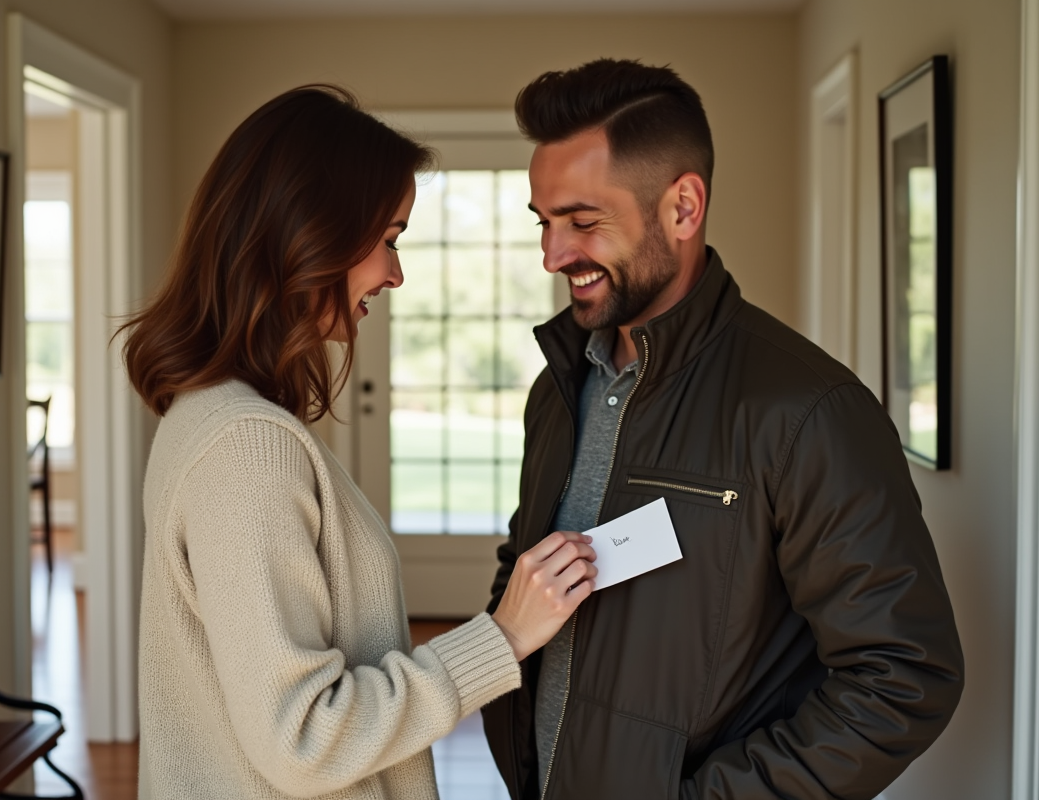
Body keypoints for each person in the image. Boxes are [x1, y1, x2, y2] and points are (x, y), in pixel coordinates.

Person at [481, 59, 965, 800]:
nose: (552, 255)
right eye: (544, 223)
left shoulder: (809, 411)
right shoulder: (558, 388)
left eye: (582, 222)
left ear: (683, 207)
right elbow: (522, 568)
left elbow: (902, 677)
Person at [122, 85, 598, 800]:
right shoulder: (245, 447)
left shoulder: (208, 416)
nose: (395, 274)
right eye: (389, 240)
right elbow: (303, 738)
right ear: (311, 232)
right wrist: (502, 637)